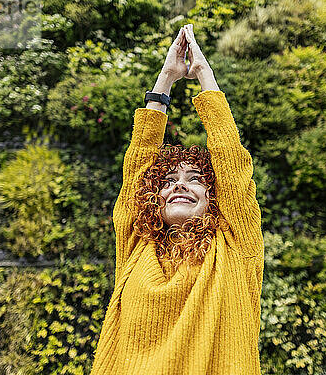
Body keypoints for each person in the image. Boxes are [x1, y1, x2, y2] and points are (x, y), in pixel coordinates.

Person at [90, 24, 264, 375]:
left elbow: (231, 161)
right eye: (168, 180)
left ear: (215, 197)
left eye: (195, 179)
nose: (180, 185)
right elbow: (138, 162)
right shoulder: (136, 246)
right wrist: (165, 79)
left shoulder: (235, 246)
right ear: (154, 196)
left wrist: (204, 77)